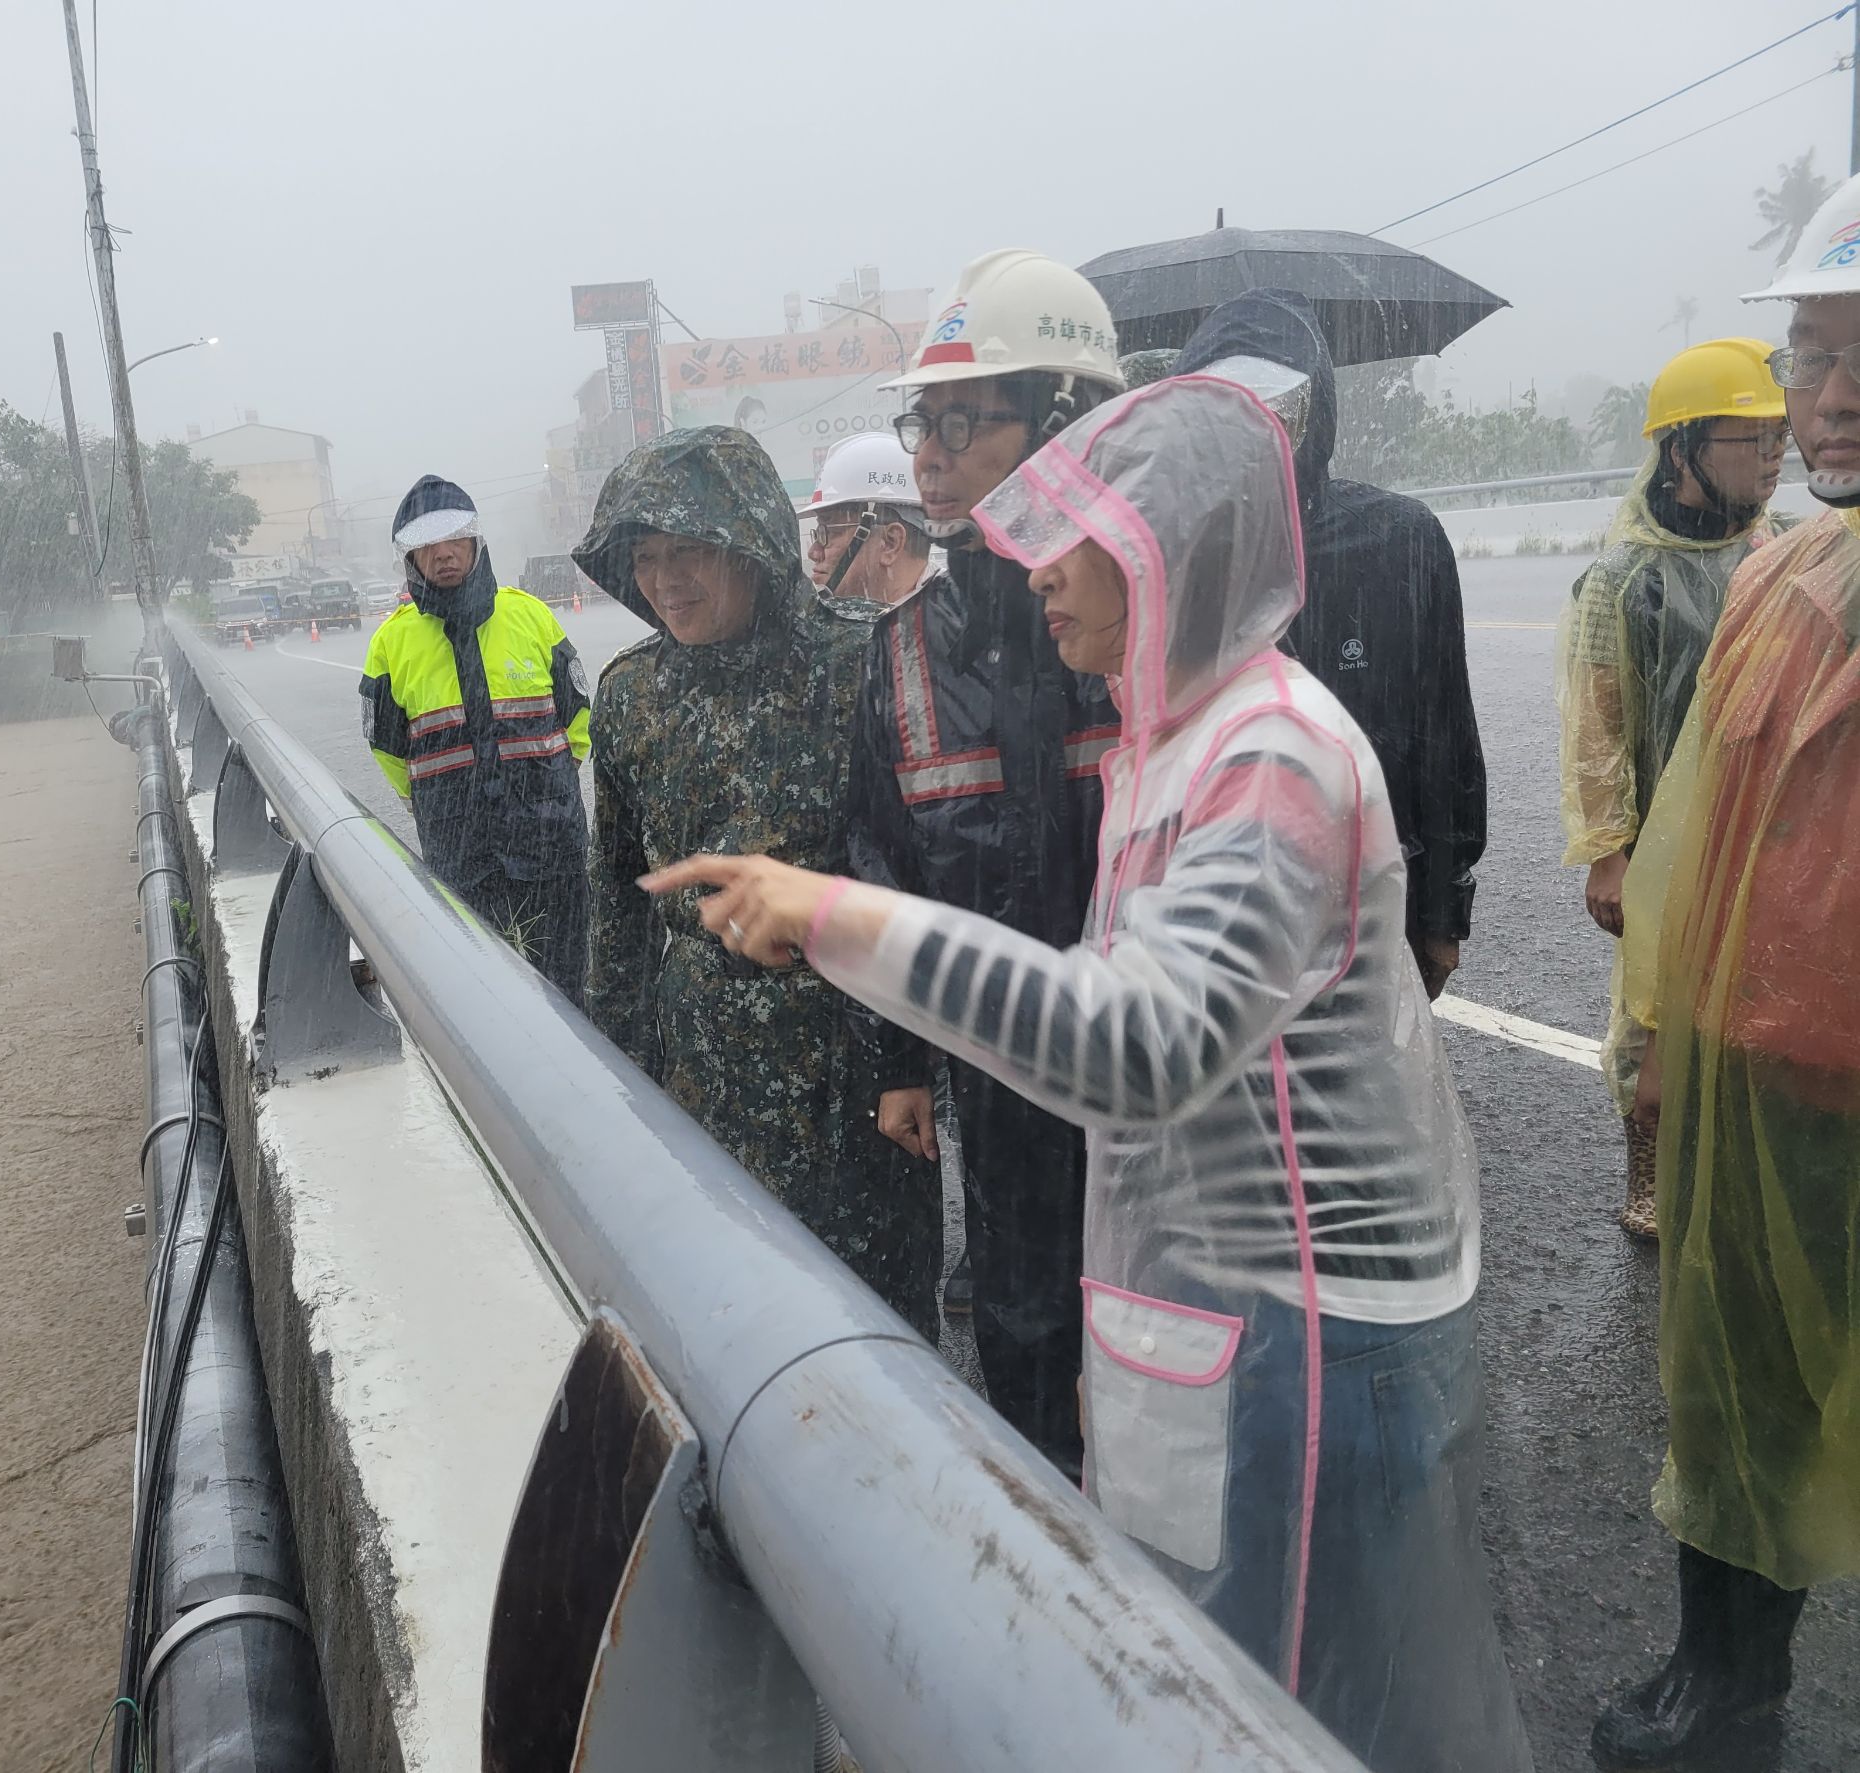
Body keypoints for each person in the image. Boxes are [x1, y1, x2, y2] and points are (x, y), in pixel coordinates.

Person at [646, 375, 1532, 1773]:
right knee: (1211, 1682)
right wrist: (1120, 1335)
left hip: (1309, 1330)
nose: (1037, 575)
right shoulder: (1160, 744)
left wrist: (839, 918)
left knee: (1289, 1721)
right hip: (1209, 1324)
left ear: (1165, 551)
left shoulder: (1270, 755)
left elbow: (1139, 1047)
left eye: (1075, 543)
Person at [1592, 185, 1860, 1770]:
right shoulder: (1774, 581)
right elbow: (1692, 833)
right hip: (1758, 1078)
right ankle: (1724, 1678)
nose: (1832, 397)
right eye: (1814, 354)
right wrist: (1659, 1039)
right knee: (1739, 1384)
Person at [843, 248, 1125, 1473]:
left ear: (1065, 421)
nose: (928, 454)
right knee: (1018, 1324)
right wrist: (902, 1060)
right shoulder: (904, 651)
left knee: (1162, 1343)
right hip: (1003, 1075)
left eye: (964, 420)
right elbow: (879, 863)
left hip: (1155, 1071)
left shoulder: (1149, 624)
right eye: (923, 422)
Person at [578, 426, 939, 1333]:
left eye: (690, 550)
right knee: (733, 1325)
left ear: (750, 543)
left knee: (880, 1337)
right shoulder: (630, 697)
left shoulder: (862, 664)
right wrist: (615, 1079)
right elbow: (621, 897)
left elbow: (917, 873)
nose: (666, 581)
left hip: (850, 1082)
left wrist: (915, 1065)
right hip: (701, 1082)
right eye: (647, 558)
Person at [1172, 290, 1486, 1000]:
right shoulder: (1174, 556)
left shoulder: (1399, 539)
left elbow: (1444, 740)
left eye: (1281, 406)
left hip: (1373, 906)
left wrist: (1444, 912)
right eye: (1230, 408)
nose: (1260, 430)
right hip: (1218, 921)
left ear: (1319, 412)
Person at [1555, 340, 1788, 1240]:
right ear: (1683, 447)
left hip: (1763, 831)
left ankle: (1738, 1162)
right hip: (1663, 844)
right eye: (1751, 437)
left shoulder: (1778, 557)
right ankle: (1647, 1162)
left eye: (1779, 437)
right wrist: (1609, 853)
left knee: (1756, 1011)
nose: (1774, 458)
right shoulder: (1623, 580)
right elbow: (1596, 726)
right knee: (1652, 1015)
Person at [360, 475, 591, 1000]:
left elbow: (577, 712)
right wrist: (428, 799)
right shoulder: (391, 643)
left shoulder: (529, 615)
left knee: (567, 985)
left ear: (475, 542)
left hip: (550, 841)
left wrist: (554, 780)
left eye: (454, 540)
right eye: (428, 546)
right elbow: (387, 746)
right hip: (459, 851)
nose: (444, 555)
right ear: (411, 557)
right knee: (482, 992)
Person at [796, 432, 932, 605]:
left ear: (890, 543)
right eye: (817, 534)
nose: (813, 552)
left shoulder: (959, 626)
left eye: (828, 533)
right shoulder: (942, 620)